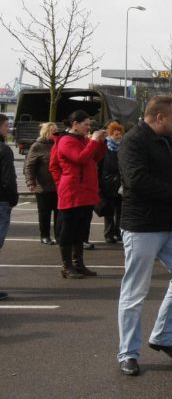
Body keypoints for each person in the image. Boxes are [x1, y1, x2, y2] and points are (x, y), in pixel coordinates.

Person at [117, 95, 172, 376]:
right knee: (135, 291)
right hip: (141, 226)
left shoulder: (168, 141)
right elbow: (136, 181)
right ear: (160, 117)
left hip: (171, 224)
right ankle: (128, 353)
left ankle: (163, 337)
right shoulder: (133, 142)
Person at [55, 110, 107, 278]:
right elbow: (80, 158)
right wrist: (93, 141)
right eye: (86, 124)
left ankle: (78, 264)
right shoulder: (66, 141)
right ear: (75, 124)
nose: (88, 127)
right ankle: (67, 265)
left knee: (82, 229)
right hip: (72, 190)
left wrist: (100, 142)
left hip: (86, 190)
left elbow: (96, 157)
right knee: (69, 229)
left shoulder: (83, 140)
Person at [24, 122, 59, 245]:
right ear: (46, 132)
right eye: (53, 131)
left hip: (58, 185)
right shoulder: (37, 146)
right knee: (44, 212)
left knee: (59, 212)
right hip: (43, 186)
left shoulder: (58, 144)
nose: (56, 133)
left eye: (56, 130)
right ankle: (45, 235)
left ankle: (59, 236)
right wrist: (30, 182)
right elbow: (29, 166)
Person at [0, 113, 18, 301]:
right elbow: (7, 179)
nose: (8, 129)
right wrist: (13, 199)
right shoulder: (4, 150)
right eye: (6, 126)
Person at [98, 122, 124, 244]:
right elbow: (101, 165)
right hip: (107, 182)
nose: (118, 136)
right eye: (116, 134)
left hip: (120, 183)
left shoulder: (123, 148)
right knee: (109, 210)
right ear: (110, 134)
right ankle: (109, 233)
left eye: (120, 134)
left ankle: (118, 232)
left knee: (120, 210)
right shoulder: (105, 147)